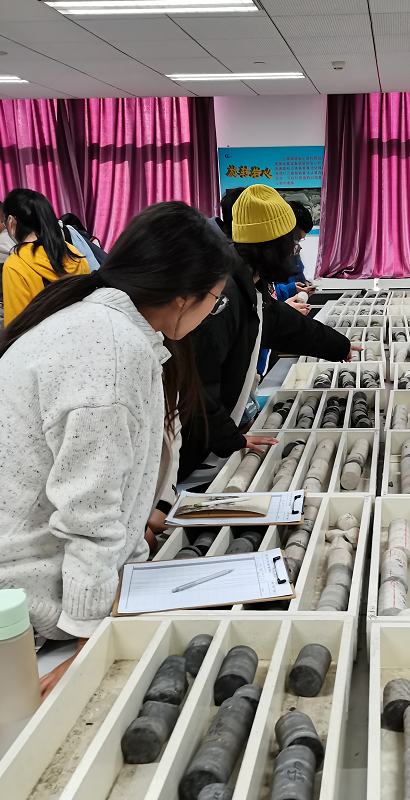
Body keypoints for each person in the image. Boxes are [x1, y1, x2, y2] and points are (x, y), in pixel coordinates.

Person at [0, 202, 238, 696]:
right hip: (34, 607)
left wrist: (145, 521)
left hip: (58, 586)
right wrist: (94, 646)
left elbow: (138, 458)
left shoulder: (105, 325)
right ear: (182, 298)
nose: (210, 313)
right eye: (214, 301)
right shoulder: (110, 350)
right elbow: (90, 516)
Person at [179, 185, 356, 482]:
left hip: (207, 444)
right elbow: (197, 383)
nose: (295, 253)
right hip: (189, 455)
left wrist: (339, 345)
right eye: (292, 244)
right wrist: (228, 438)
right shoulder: (223, 294)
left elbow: (281, 322)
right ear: (271, 246)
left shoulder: (247, 283)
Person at [2, 189, 90, 326]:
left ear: (11, 221)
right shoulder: (71, 252)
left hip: (44, 338)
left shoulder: (16, 265)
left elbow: (16, 326)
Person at [274, 201, 315, 303]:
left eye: (299, 240)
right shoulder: (267, 254)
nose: (296, 245)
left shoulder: (293, 255)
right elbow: (267, 293)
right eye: (296, 239)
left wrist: (305, 285)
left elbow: (299, 279)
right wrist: (291, 289)